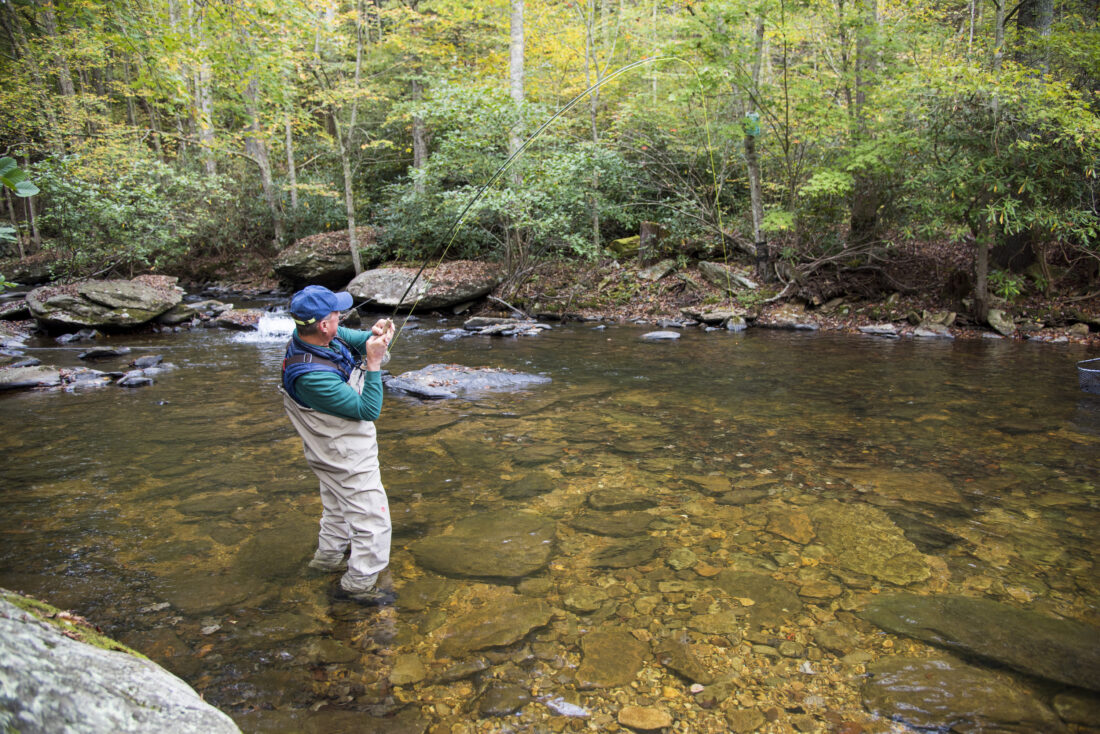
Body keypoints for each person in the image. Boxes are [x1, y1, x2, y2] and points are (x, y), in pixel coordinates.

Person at [280, 285, 396, 605]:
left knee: (338, 508)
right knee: (373, 522)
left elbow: (357, 340)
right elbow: (367, 410)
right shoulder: (312, 376)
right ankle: (358, 587)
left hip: (329, 452)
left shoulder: (317, 333)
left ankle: (325, 563)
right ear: (323, 325)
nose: (341, 316)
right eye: (336, 314)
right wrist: (373, 364)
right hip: (341, 453)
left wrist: (376, 337)